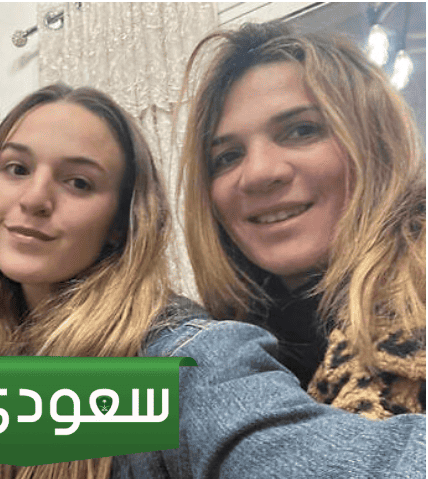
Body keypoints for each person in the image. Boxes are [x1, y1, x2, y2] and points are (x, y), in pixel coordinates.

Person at [0, 84, 425, 479]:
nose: (34, 198)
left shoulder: (184, 362)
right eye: (16, 168)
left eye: (79, 182)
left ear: (120, 224)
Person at [178, 21, 425, 418]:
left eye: (301, 130)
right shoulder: (211, 350)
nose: (258, 173)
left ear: (376, 142)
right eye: (227, 156)